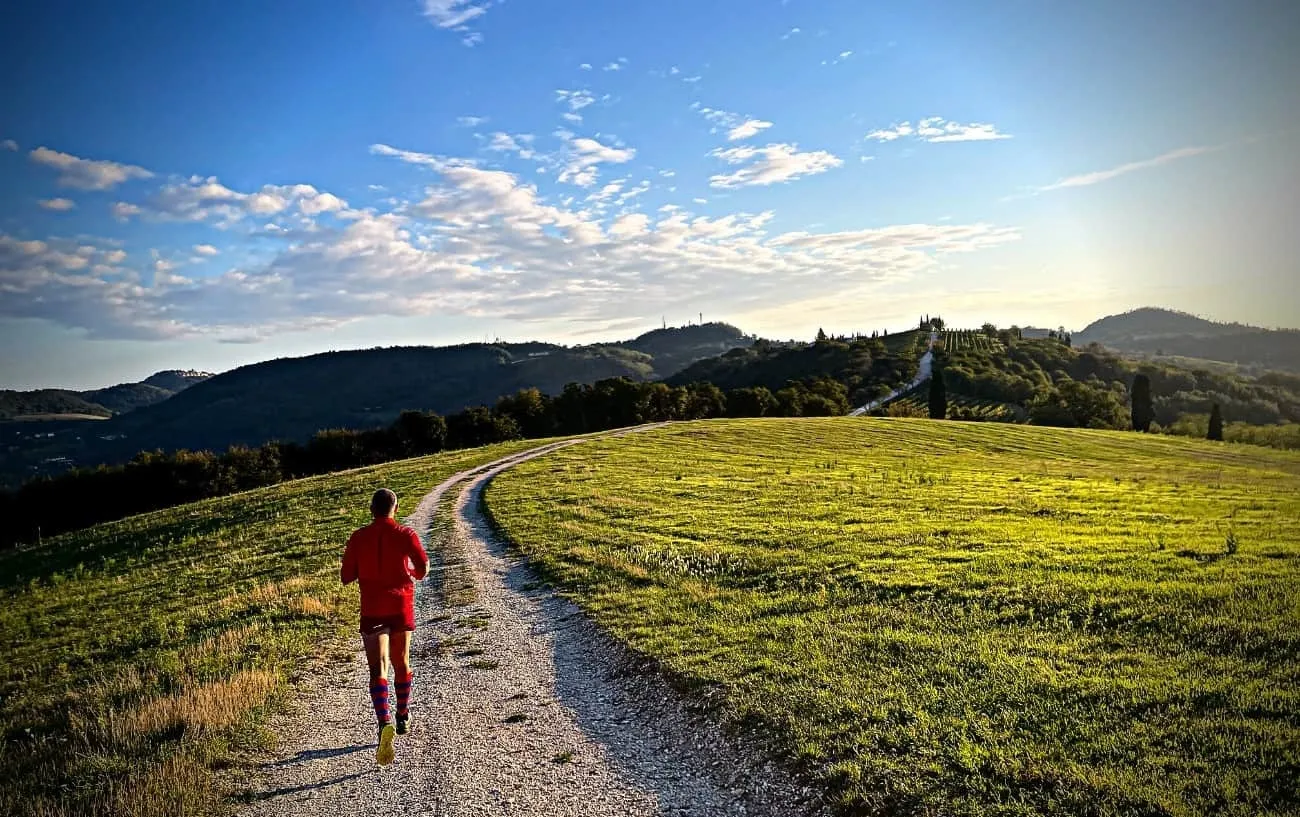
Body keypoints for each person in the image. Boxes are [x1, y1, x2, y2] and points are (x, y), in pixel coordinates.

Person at [340, 488, 429, 766]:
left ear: (371, 509)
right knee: (401, 663)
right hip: (400, 606)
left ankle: (384, 723)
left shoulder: (358, 537)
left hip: (372, 609)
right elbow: (423, 566)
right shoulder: (405, 534)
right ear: (395, 508)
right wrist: (411, 575)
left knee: (378, 670)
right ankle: (403, 716)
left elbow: (346, 576)